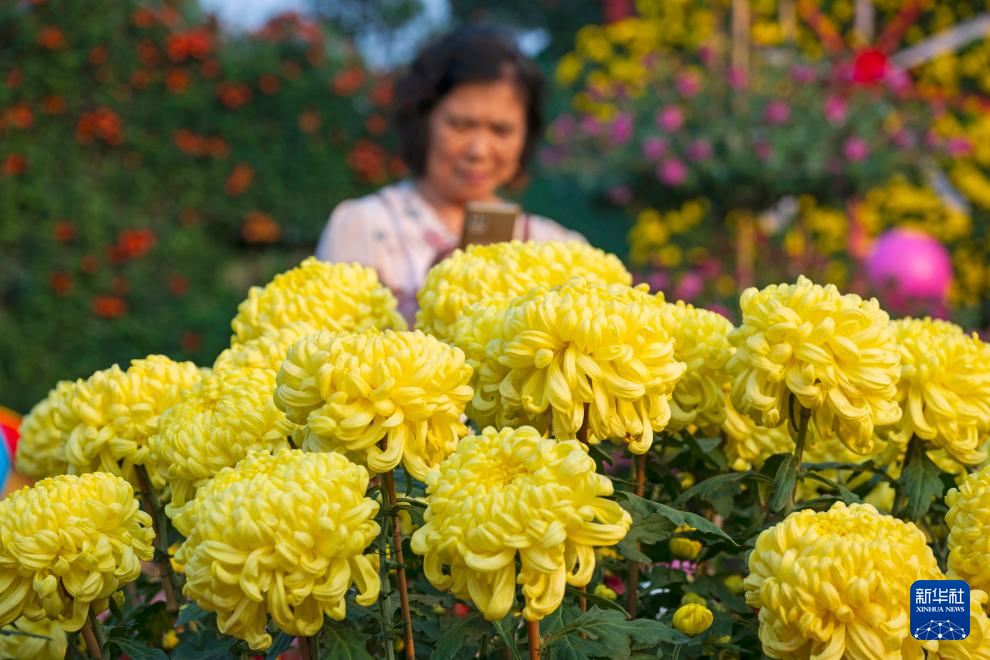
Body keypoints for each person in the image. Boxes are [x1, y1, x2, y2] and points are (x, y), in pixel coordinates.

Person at [316, 25, 585, 323]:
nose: (479, 150)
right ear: (423, 121)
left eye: (501, 130)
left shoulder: (559, 247)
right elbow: (331, 350)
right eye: (461, 125)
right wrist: (434, 301)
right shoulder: (363, 227)